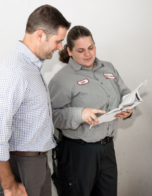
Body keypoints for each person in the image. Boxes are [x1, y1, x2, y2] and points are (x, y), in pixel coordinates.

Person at [0, 5, 71, 196]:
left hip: (37, 163)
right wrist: (9, 185)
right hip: (21, 167)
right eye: (58, 41)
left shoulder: (30, 68)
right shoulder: (14, 72)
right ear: (40, 35)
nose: (60, 47)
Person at [48, 26, 133, 196]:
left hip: (107, 149)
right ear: (69, 51)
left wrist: (128, 109)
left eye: (91, 47)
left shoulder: (108, 68)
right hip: (78, 153)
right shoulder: (62, 79)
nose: (88, 54)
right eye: (80, 50)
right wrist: (80, 114)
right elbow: (53, 115)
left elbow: (125, 94)